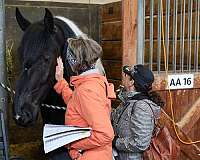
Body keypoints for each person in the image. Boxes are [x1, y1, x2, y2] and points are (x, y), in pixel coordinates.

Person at [54, 37, 116, 160]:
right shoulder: (94, 81)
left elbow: (105, 134)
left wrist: (72, 143)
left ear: (74, 61)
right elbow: (77, 102)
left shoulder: (86, 90)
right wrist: (61, 82)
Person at [111, 64, 164, 160]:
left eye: (126, 75)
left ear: (132, 82)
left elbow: (140, 143)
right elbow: (115, 118)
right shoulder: (129, 100)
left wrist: (115, 142)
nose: (124, 77)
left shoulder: (141, 107)